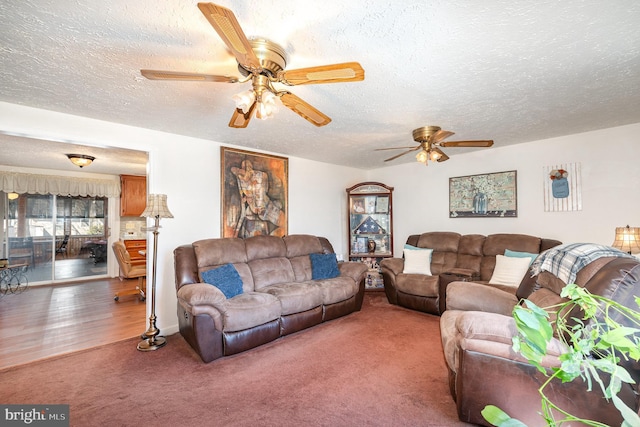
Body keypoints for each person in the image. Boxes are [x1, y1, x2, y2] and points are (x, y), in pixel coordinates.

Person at [231, 160, 285, 237]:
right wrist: (235, 235)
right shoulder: (242, 183)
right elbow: (242, 214)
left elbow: (263, 188)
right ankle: (272, 242)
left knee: (285, 224)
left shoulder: (259, 176)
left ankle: (273, 241)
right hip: (264, 212)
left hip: (268, 208)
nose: (246, 169)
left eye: (248, 167)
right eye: (243, 167)